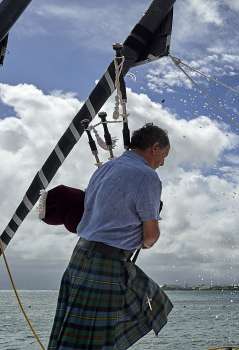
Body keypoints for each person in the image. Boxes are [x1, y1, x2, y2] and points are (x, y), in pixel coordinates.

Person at [48, 123, 173, 349]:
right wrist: (146, 243)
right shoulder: (147, 176)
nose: (163, 163)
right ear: (154, 148)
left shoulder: (106, 168)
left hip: (81, 256)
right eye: (164, 156)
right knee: (157, 305)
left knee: (73, 338)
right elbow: (151, 235)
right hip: (109, 262)